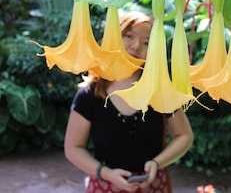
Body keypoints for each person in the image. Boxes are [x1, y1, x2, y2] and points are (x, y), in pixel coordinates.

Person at [64, 11, 193, 193]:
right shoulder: (89, 95)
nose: (136, 45)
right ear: (114, 38)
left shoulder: (159, 91)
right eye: (128, 36)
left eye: (147, 42)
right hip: (105, 186)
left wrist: (157, 163)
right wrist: (106, 173)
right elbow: (73, 148)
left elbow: (184, 135)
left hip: (153, 186)